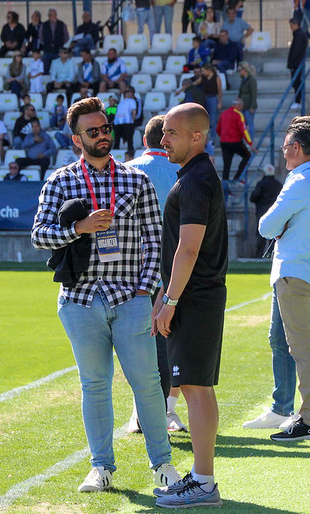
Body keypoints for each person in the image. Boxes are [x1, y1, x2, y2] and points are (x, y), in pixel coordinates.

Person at [30, 96, 179, 494]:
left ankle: (162, 464)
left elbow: (156, 241)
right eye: (92, 131)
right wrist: (79, 227)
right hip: (79, 300)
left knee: (147, 383)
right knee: (94, 385)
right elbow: (39, 235)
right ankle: (101, 468)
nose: (101, 136)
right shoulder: (61, 181)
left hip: (130, 297)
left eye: (105, 129)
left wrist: (147, 291)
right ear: (76, 138)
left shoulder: (136, 180)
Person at [151, 103, 226, 508]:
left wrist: (171, 301)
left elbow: (190, 247)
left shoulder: (196, 181)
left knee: (195, 389)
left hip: (194, 299)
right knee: (198, 388)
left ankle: (202, 483)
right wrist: (165, 296)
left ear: (197, 136)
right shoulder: (194, 176)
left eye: (172, 133)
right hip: (196, 297)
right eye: (163, 133)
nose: (164, 140)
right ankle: (201, 478)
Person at [256, 121, 310, 440]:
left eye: (287, 147)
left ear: (297, 148)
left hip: (295, 272)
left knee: (301, 348)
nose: (284, 152)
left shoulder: (299, 180)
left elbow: (266, 225)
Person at [126, 114, 189, 434]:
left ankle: (143, 411)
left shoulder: (129, 170)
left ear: (144, 140)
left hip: (134, 268)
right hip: (176, 266)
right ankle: (165, 409)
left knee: (138, 340)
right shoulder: (184, 170)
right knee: (169, 340)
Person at [216, 98, 253, 181]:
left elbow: (218, 129)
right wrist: (250, 144)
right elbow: (244, 130)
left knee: (226, 165)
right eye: (241, 106)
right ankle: (238, 177)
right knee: (247, 156)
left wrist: (223, 136)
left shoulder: (223, 113)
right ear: (239, 105)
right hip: (235, 141)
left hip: (224, 142)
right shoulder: (239, 114)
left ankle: (225, 189)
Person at [250, 164, 283, 257]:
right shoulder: (278, 184)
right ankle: (271, 254)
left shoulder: (261, 184)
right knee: (273, 233)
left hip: (262, 210)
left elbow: (253, 197)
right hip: (275, 211)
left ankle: (259, 255)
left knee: (261, 233)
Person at [287, 17, 308, 109]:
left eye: (292, 25)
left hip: (297, 63)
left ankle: (298, 102)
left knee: (297, 83)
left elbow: (297, 50)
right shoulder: (298, 34)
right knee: (296, 83)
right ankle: (298, 101)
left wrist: (292, 62)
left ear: (296, 25)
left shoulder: (299, 35)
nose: (291, 27)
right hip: (297, 63)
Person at [39, 9, 68, 73]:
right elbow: (40, 37)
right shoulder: (43, 25)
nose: (52, 16)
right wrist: (46, 43)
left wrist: (60, 43)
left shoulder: (62, 24)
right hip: (47, 50)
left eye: (53, 15)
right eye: (50, 15)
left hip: (58, 51)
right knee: (46, 69)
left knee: (58, 69)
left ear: (56, 15)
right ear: (48, 16)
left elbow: (66, 37)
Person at [237, 61, 257, 142]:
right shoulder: (243, 80)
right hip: (243, 105)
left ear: (244, 70)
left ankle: (251, 141)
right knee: (243, 124)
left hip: (249, 105)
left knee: (250, 124)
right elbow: (240, 92)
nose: (239, 72)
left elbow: (254, 93)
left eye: (240, 70)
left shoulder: (252, 80)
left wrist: (252, 106)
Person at [113, 89, 137, 155]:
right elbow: (134, 111)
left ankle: (128, 153)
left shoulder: (126, 102)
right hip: (123, 122)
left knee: (121, 140)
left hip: (123, 121)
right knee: (126, 139)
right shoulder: (125, 102)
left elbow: (133, 111)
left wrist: (132, 120)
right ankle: (127, 152)